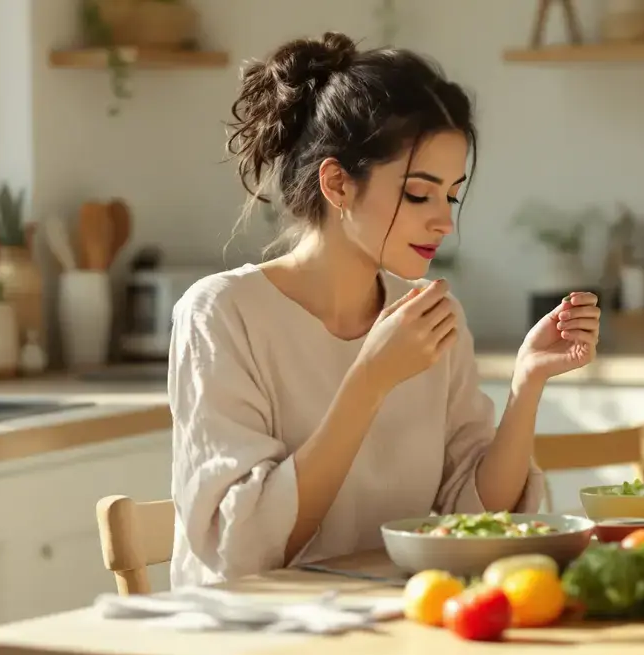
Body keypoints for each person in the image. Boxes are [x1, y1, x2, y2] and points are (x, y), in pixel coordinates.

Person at [168, 32, 601, 588]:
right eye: (420, 194)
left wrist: (527, 383)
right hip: (256, 642)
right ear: (338, 183)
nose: (444, 221)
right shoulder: (222, 315)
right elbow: (240, 550)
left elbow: (474, 521)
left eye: (452, 195)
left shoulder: (430, 318)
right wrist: (370, 379)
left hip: (392, 625)